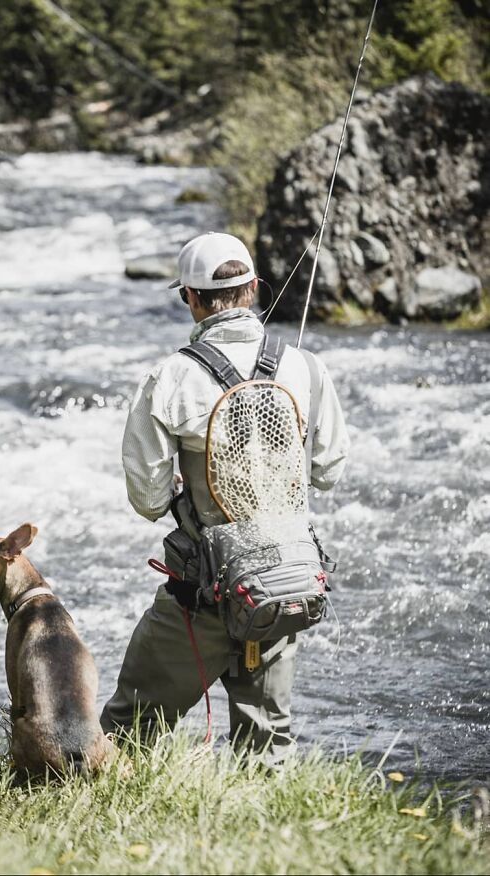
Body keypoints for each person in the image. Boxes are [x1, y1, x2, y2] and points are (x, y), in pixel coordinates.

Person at [100, 231, 350, 759]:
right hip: (284, 586)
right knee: (268, 746)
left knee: (125, 732)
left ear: (188, 298)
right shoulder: (305, 367)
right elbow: (328, 470)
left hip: (201, 595)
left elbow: (147, 499)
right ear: (255, 288)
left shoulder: (169, 377)